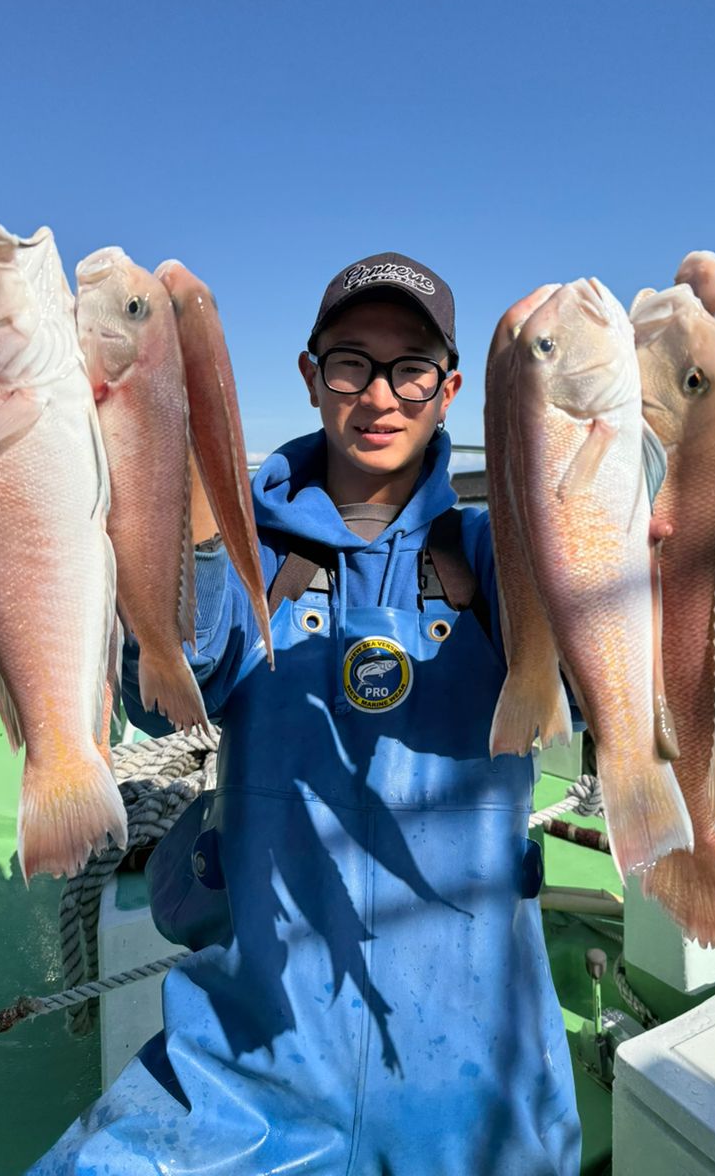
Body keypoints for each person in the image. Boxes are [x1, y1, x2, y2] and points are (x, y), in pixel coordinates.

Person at [29, 253, 582, 1175]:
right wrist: (185, 475)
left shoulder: (498, 556)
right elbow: (167, 693)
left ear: (450, 389)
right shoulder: (250, 556)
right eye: (350, 362)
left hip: (488, 1080)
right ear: (310, 376)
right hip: (250, 1067)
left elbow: (603, 609)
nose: (380, 395)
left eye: (411, 367)